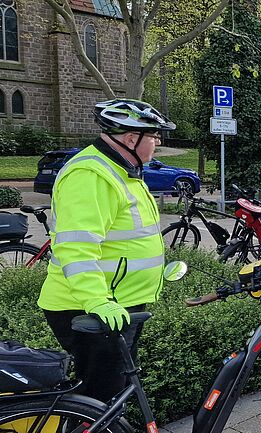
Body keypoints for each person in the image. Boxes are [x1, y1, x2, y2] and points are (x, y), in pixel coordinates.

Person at [39, 99, 175, 402]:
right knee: (100, 399)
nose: (157, 142)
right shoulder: (91, 175)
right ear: (130, 139)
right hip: (90, 307)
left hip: (120, 305)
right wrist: (97, 301)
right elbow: (76, 247)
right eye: (153, 136)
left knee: (112, 396)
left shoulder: (122, 170)